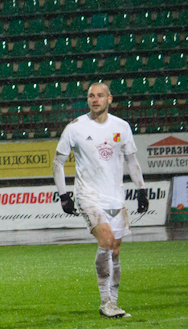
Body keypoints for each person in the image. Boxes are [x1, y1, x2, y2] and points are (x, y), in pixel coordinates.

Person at [53, 82, 148, 319]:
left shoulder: (121, 127)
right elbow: (58, 162)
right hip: (88, 196)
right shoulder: (75, 127)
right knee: (106, 241)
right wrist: (64, 195)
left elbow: (132, 161)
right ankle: (106, 302)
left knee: (115, 250)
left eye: (100, 96)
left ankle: (113, 302)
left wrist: (141, 190)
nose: (95, 99)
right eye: (91, 96)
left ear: (109, 99)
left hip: (115, 197)